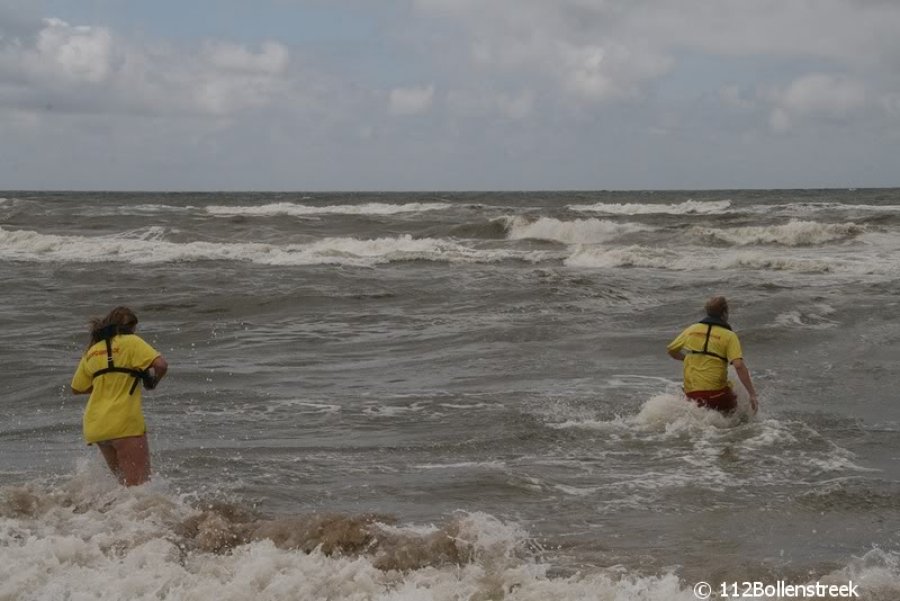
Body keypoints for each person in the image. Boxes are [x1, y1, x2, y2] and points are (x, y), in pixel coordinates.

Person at [71, 306, 168, 486]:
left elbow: (77, 388)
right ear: (129, 327)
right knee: (139, 488)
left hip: (97, 425)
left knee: (124, 487)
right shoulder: (131, 341)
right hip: (124, 423)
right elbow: (161, 365)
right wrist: (153, 382)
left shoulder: (92, 351)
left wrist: (105, 384)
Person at [667, 296, 758, 415]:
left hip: (692, 395)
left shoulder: (692, 329)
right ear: (725, 313)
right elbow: (739, 365)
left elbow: (671, 350)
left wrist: (685, 358)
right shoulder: (729, 335)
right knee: (737, 416)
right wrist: (752, 394)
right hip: (718, 395)